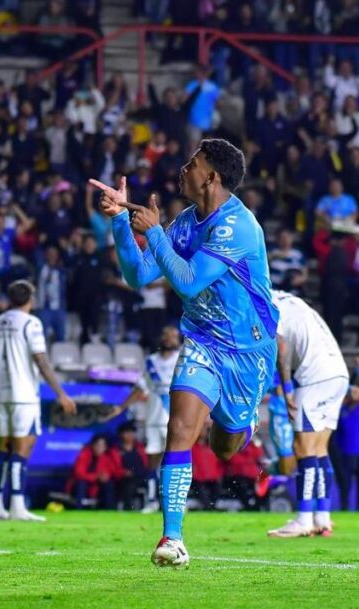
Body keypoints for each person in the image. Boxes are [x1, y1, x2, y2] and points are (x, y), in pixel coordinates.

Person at [91, 137, 279, 568]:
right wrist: (122, 222)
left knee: (226, 448)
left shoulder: (238, 226)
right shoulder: (188, 221)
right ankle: (172, 538)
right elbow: (139, 275)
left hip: (248, 350)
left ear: (211, 176)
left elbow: (190, 281)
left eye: (192, 163)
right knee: (180, 430)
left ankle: (241, 424)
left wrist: (154, 232)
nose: (183, 169)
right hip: (203, 340)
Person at [0, 280, 76, 522]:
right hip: (24, 395)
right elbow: (41, 360)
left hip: (3, 393)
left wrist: (0, 386)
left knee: (2, 449)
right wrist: (61, 393)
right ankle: (16, 505)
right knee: (22, 449)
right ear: (30, 299)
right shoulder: (31, 323)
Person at [268, 290, 349, 538]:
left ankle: (303, 519)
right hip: (338, 374)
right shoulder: (295, 302)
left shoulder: (266, 303)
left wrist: (287, 387)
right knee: (319, 448)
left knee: (302, 448)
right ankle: (322, 518)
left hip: (315, 379)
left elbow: (280, 346)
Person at [106, 324, 182, 513]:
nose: (169, 338)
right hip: (154, 420)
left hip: (176, 420)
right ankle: (151, 500)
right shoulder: (151, 362)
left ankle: (175, 503)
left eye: (173, 336)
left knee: (176, 461)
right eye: (166, 334)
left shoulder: (183, 360)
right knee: (153, 463)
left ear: (179, 340)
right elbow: (141, 388)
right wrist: (121, 407)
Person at [331, 385, 359, 511]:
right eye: (353, 392)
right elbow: (337, 432)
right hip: (345, 453)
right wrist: (338, 449)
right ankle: (344, 507)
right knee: (345, 483)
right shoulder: (342, 410)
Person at [70, 434, 121, 509]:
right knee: (81, 484)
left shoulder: (108, 457)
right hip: (84, 484)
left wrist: (106, 476)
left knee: (109, 484)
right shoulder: (84, 455)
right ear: (93, 445)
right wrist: (96, 476)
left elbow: (115, 472)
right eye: (97, 445)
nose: (99, 448)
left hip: (99, 486)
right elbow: (79, 474)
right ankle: (78, 509)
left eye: (102, 446)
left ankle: (110, 510)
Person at [114, 421, 150, 511]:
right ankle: (128, 509)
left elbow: (146, 463)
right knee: (128, 485)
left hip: (141, 475)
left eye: (132, 432)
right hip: (123, 478)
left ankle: (153, 504)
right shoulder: (116, 450)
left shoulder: (140, 448)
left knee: (153, 478)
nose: (130, 435)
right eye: (127, 432)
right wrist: (123, 472)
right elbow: (113, 467)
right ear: (121, 434)